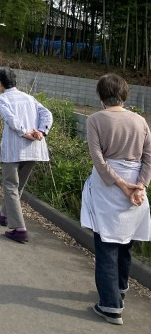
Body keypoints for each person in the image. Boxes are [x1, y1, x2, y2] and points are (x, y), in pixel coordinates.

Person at [81, 73, 151, 325]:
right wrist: (140, 186)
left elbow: (99, 160)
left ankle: (110, 305)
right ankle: (119, 290)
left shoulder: (95, 120)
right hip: (135, 187)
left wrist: (121, 184)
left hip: (109, 186)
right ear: (124, 95)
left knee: (106, 243)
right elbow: (148, 157)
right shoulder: (140, 121)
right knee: (125, 241)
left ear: (101, 96)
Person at [0, 67, 53, 243]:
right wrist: (41, 131)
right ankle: (5, 214)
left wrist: (23, 132)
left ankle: (19, 229)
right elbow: (47, 114)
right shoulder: (29, 98)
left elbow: (9, 118)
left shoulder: (1, 99)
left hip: (14, 149)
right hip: (34, 149)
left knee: (10, 185)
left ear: (0, 83)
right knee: (17, 186)